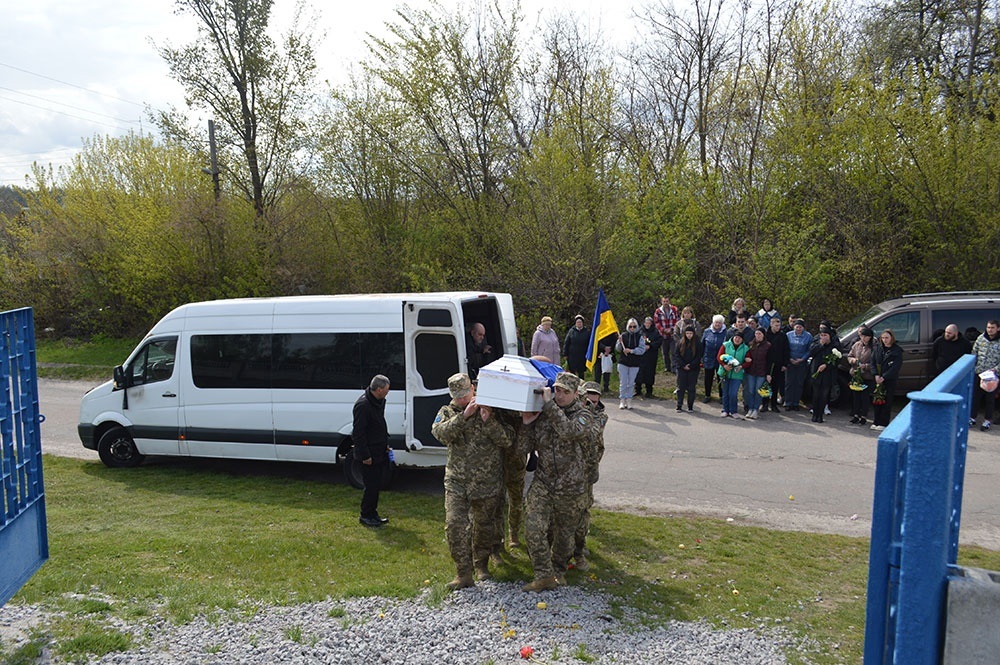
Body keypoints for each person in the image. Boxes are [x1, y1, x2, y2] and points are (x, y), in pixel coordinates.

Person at [431, 373, 511, 589]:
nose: (462, 400)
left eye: (465, 395)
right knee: (455, 525)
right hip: (457, 482)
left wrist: (488, 421)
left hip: (487, 482)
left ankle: (481, 566)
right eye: (458, 397)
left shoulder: (491, 409)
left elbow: (507, 440)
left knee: (484, 527)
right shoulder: (447, 412)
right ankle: (463, 573)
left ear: (473, 389)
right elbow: (439, 433)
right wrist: (463, 416)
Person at [519, 372, 595, 591]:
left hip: (571, 487)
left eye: (565, 392)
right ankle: (543, 574)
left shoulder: (584, 416)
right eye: (557, 390)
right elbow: (522, 450)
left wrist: (549, 406)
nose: (559, 396)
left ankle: (558, 570)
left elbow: (569, 431)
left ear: (575, 394)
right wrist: (526, 425)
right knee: (533, 526)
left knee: (564, 534)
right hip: (544, 481)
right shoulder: (546, 414)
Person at [573, 381, 607, 571]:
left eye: (595, 398)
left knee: (584, 508)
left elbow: (595, 440)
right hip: (573, 469)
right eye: (588, 398)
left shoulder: (600, 417)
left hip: (588, 468)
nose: (592, 401)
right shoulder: (579, 411)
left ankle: (580, 544)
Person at [353, 375, 391, 528]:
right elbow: (358, 433)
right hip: (368, 453)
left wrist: (384, 444)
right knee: (370, 487)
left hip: (378, 449)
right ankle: (365, 515)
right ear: (379, 389)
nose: (388, 393)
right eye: (387, 390)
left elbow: (378, 426)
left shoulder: (377, 401)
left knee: (376, 485)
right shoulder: (363, 405)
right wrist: (365, 455)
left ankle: (373, 513)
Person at [970, 320, 1000, 431]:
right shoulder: (981, 338)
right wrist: (974, 366)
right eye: (988, 327)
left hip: (993, 375)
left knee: (990, 399)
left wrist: (996, 369)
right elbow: (974, 352)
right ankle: (972, 418)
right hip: (979, 373)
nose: (990, 330)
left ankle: (987, 420)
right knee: (975, 397)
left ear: (998, 328)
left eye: (992, 327)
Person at [871, 329, 903, 431]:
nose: (884, 340)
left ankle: (884, 422)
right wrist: (876, 375)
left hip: (889, 380)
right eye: (883, 338)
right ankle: (876, 421)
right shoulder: (878, 348)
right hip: (877, 379)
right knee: (877, 400)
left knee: (887, 401)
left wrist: (884, 377)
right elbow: (872, 362)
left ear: (891, 338)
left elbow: (895, 367)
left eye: (887, 338)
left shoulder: (897, 351)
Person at [717, 330, 750, 418]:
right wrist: (724, 365)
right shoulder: (725, 345)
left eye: (739, 338)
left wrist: (741, 366)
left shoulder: (745, 348)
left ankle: (733, 411)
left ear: (742, 339)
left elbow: (748, 361)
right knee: (725, 392)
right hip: (725, 372)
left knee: (733, 393)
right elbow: (719, 357)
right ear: (733, 337)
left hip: (737, 374)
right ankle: (725, 410)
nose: (737, 339)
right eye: (736, 337)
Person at [847, 327, 875, 425]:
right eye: (861, 336)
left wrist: (865, 366)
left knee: (865, 397)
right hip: (856, 374)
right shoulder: (857, 345)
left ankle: (863, 416)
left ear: (870, 337)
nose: (863, 338)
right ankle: (856, 415)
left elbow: (875, 363)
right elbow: (849, 355)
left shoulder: (874, 347)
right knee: (856, 396)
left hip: (867, 376)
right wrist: (852, 360)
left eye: (865, 336)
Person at [808, 326, 837, 423]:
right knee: (816, 394)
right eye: (822, 335)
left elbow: (837, 360)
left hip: (827, 374)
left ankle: (820, 415)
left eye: (825, 335)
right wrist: (820, 344)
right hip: (816, 372)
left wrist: (826, 365)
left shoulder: (834, 345)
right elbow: (811, 352)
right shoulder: (816, 342)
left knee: (824, 395)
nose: (823, 337)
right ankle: (814, 414)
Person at [616, 318, 646, 409]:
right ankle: (622, 400)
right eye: (630, 326)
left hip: (634, 363)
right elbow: (617, 349)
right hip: (623, 362)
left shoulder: (639, 337)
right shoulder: (623, 335)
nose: (632, 328)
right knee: (623, 382)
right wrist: (619, 342)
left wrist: (632, 351)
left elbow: (642, 350)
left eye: (634, 326)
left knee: (631, 383)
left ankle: (629, 400)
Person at [784, 319, 813, 411]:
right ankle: (788, 402)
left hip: (802, 363)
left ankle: (796, 403)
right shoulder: (788, 335)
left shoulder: (808, 336)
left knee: (799, 383)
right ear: (794, 327)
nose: (798, 329)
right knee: (789, 383)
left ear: (803, 328)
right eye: (797, 327)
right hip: (790, 362)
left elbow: (810, 350)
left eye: (800, 327)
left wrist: (803, 359)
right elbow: (785, 348)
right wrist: (789, 358)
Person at [744, 328, 771, 420]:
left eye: (760, 334)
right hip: (750, 371)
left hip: (761, 373)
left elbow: (770, 361)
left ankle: (755, 409)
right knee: (750, 391)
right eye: (756, 333)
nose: (758, 335)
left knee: (758, 391)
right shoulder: (751, 344)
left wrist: (768, 374)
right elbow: (746, 356)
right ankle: (750, 409)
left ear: (763, 335)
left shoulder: (768, 346)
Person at [673, 326, 702, 412]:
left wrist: (691, 365)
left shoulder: (697, 343)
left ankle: (690, 406)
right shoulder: (680, 342)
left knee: (691, 388)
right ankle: (679, 405)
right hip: (681, 368)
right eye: (687, 333)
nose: (689, 335)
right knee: (680, 387)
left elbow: (699, 356)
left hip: (693, 369)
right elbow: (676, 355)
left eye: (691, 333)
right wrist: (683, 365)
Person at [763, 315, 789, 412]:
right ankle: (765, 403)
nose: (778, 327)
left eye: (779, 325)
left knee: (775, 385)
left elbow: (786, 350)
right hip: (767, 363)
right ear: (771, 325)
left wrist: (785, 364)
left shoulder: (783, 336)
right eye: (776, 325)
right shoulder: (766, 335)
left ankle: (773, 404)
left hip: (778, 364)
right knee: (766, 384)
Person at [701, 315, 728, 403]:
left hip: (721, 360)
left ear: (722, 324)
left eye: (719, 323)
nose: (717, 324)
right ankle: (707, 395)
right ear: (713, 322)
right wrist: (701, 358)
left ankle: (721, 396)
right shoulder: (707, 331)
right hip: (708, 358)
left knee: (721, 378)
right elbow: (702, 345)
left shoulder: (726, 333)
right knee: (708, 378)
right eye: (716, 322)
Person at [635, 316, 662, 398]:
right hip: (640, 356)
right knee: (638, 373)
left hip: (651, 356)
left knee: (649, 373)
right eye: (646, 323)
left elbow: (659, 342)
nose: (647, 324)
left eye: (649, 323)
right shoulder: (639, 331)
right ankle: (638, 390)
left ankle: (649, 391)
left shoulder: (655, 332)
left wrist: (650, 346)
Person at [653, 296, 680, 373]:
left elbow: (678, 321)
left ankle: (674, 367)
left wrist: (672, 329)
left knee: (674, 351)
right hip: (663, 335)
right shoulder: (658, 311)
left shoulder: (675, 309)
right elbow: (656, 322)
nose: (665, 303)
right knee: (665, 352)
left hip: (673, 334)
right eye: (664, 301)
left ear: (669, 301)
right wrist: (663, 330)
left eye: (667, 301)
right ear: (662, 302)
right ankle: (667, 367)